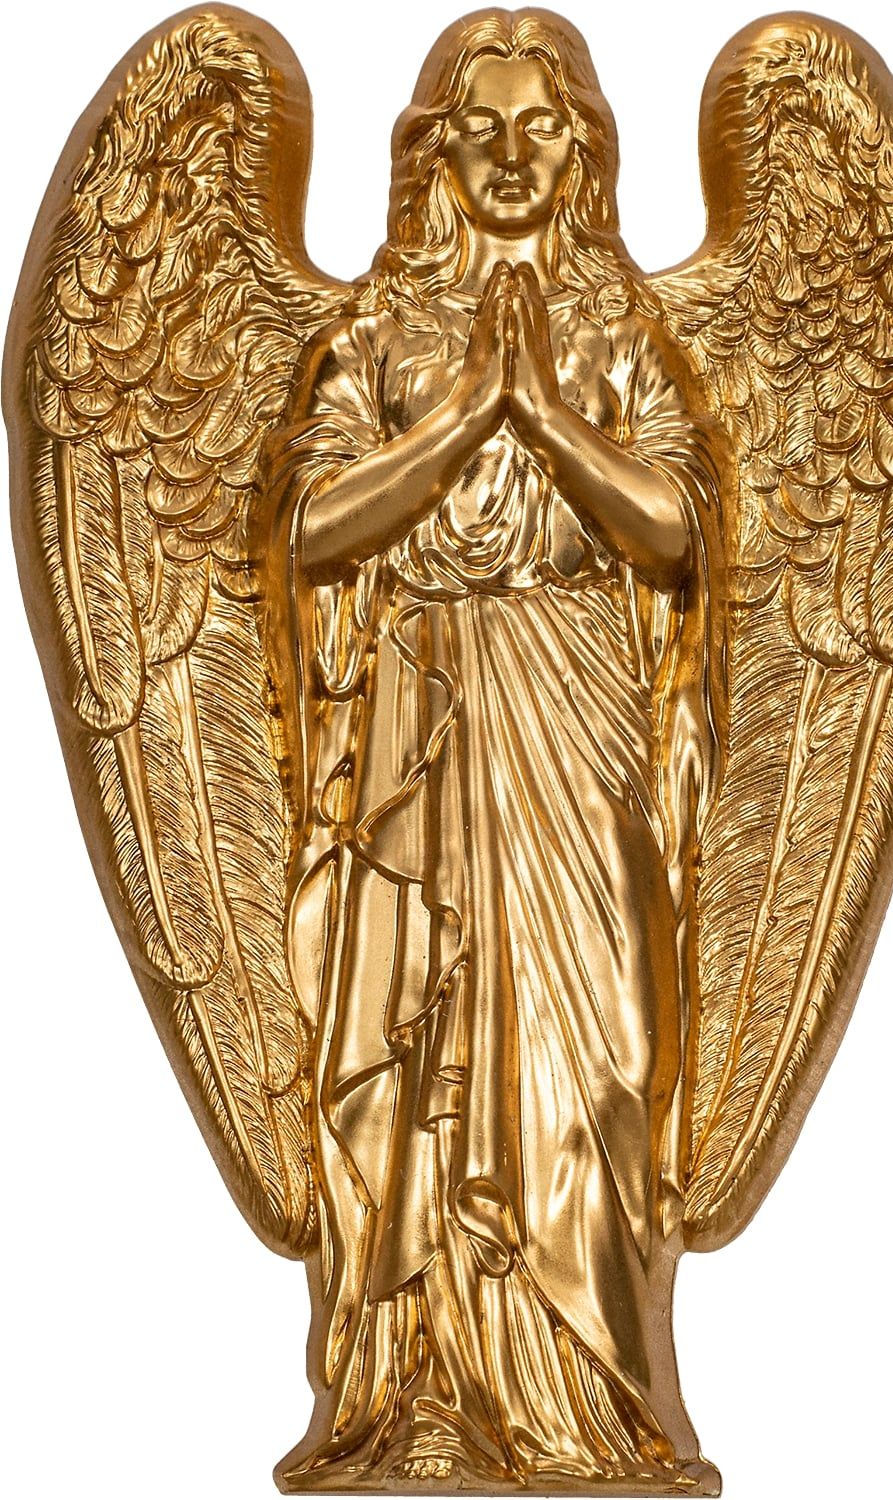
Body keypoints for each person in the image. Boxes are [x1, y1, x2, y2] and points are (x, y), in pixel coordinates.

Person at [261, 9, 726, 1490]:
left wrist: (544, 417)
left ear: (581, 153)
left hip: (582, 719)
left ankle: (598, 1408)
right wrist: (466, 418)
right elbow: (310, 531)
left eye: (542, 130)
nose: (512, 158)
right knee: (422, 1036)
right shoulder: (373, 338)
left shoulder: (623, 336)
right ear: (435, 158)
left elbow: (675, 535)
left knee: (609, 1061)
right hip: (424, 714)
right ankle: (426, 1397)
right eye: (482, 131)